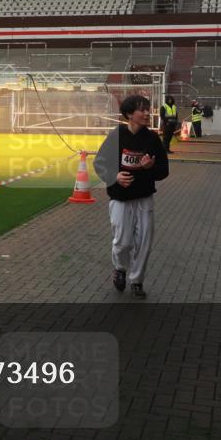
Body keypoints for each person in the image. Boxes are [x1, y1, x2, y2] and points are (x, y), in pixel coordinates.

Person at [94, 95, 169, 300]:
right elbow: (99, 163)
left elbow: (163, 171)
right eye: (141, 110)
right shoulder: (117, 135)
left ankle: (137, 280)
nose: (146, 113)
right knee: (123, 241)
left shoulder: (153, 139)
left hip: (144, 197)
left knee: (144, 241)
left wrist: (151, 167)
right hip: (120, 198)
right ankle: (119, 268)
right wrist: (114, 177)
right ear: (129, 114)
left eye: (148, 109)